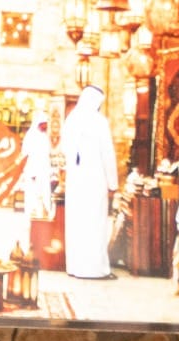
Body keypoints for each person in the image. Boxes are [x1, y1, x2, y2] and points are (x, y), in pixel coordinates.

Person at [61, 84, 118, 278]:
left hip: (75, 182)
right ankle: (95, 269)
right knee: (95, 224)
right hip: (95, 181)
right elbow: (107, 154)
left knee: (76, 224)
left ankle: (75, 268)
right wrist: (113, 184)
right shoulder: (99, 122)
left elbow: (65, 149)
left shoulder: (71, 120)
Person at [20, 109, 54, 243]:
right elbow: (26, 155)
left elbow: (46, 155)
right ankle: (30, 223)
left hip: (44, 173)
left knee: (45, 198)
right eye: (43, 123)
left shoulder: (44, 136)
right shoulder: (31, 136)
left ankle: (44, 221)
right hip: (33, 173)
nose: (45, 126)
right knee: (32, 199)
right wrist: (32, 172)